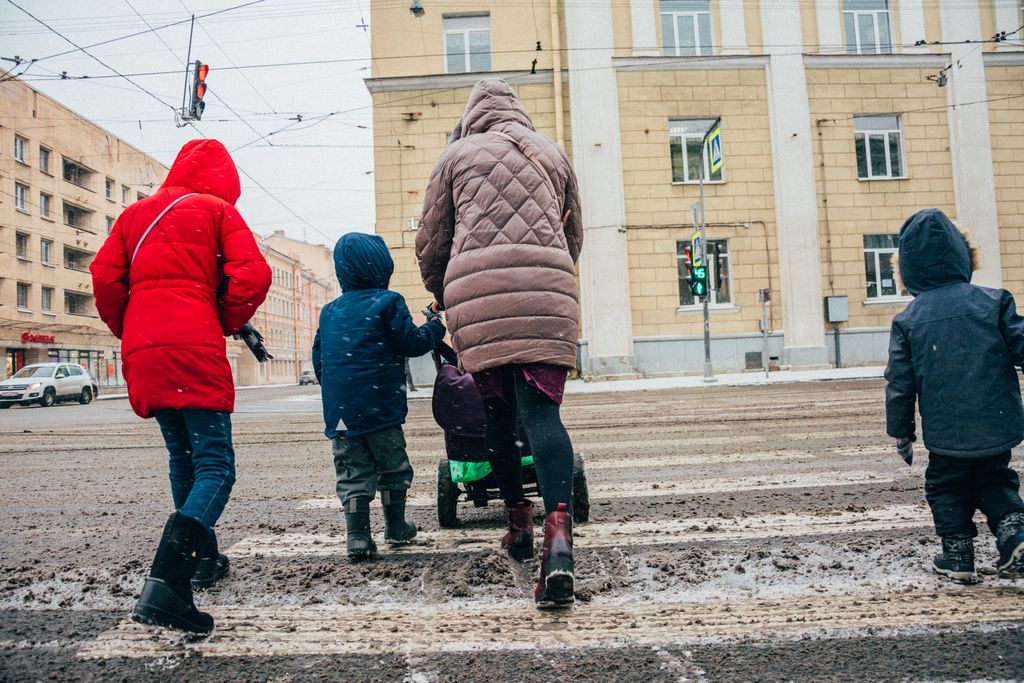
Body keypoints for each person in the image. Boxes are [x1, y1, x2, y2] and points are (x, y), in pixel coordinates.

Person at [91, 139, 271, 635]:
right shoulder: (216, 212)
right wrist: (222, 317)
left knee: (182, 456)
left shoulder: (134, 216)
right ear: (224, 182)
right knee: (216, 465)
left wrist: (131, 331)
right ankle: (168, 582)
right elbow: (253, 275)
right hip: (194, 343)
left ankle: (202, 561)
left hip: (145, 346)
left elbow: (104, 278)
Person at [416, 79, 584, 608]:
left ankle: (518, 523)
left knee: (495, 415)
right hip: (547, 294)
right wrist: (550, 276)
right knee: (542, 416)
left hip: (478, 297)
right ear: (518, 111)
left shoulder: (455, 156)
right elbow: (574, 231)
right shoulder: (552, 153)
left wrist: (441, 289)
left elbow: (432, 239)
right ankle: (559, 544)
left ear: (472, 116)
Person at [886, 208, 1024, 584]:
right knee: (996, 479)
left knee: (945, 486)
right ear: (964, 256)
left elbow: (899, 383)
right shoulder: (994, 301)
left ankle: (959, 557)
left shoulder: (908, 320)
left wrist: (902, 431)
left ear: (909, 269)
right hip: (997, 420)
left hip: (947, 431)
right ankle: (1015, 534)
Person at [312, 232, 445, 561]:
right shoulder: (388, 302)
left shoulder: (329, 311)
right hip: (381, 407)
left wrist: (338, 392)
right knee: (392, 467)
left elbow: (319, 359)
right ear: (382, 268)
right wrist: (435, 328)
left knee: (351, 471)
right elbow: (410, 343)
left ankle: (357, 537)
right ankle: (395, 526)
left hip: (341, 412)